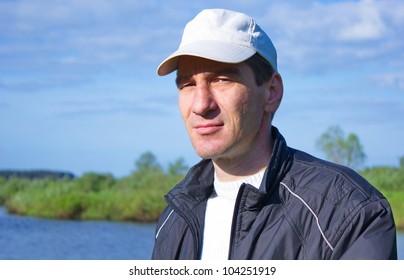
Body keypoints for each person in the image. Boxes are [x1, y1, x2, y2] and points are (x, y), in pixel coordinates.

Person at [151, 8, 397, 260]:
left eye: (221, 80)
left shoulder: (349, 211)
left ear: (271, 92)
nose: (201, 105)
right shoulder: (175, 218)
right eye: (188, 85)